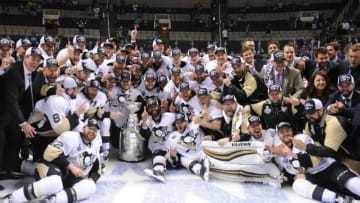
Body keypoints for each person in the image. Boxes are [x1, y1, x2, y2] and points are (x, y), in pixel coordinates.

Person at [0, 119, 102, 203]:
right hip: (49, 167)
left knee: (91, 186)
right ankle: (12, 199)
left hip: (70, 177)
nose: (92, 132)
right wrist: (72, 167)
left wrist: (92, 179)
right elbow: (49, 154)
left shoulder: (96, 145)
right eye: (90, 128)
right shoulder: (71, 137)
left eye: (95, 131)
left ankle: (53, 200)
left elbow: (97, 169)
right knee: (55, 182)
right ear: (83, 128)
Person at [272, 122, 360, 203]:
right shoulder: (278, 155)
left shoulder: (302, 138)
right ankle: (339, 199)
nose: (285, 134)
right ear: (278, 135)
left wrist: (292, 154)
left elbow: (314, 161)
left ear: (292, 131)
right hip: (314, 176)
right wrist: (294, 177)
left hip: (329, 168)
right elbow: (287, 172)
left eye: (287, 130)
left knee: (351, 182)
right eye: (282, 132)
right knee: (297, 185)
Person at [0, 47, 42, 177]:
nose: (35, 62)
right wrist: (23, 123)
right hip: (2, 112)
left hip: (10, 115)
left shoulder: (34, 74)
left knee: (16, 136)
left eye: (38, 59)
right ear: (25, 57)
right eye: (32, 58)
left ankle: (6, 170)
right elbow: (11, 100)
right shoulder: (14, 72)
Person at [166, 113, 210, 181]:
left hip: (202, 152)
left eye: (182, 122)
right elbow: (168, 156)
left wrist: (203, 115)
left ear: (187, 121)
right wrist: (173, 156)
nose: (179, 124)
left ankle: (205, 164)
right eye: (177, 122)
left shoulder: (195, 125)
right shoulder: (172, 137)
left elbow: (206, 122)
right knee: (183, 160)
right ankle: (200, 170)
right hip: (189, 158)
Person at [141, 97, 176, 182]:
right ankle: (159, 171)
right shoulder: (146, 121)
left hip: (172, 148)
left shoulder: (170, 116)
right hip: (157, 148)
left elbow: (185, 123)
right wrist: (144, 121)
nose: (153, 109)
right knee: (159, 156)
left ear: (159, 106)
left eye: (154, 106)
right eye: (150, 107)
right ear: (147, 110)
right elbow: (143, 136)